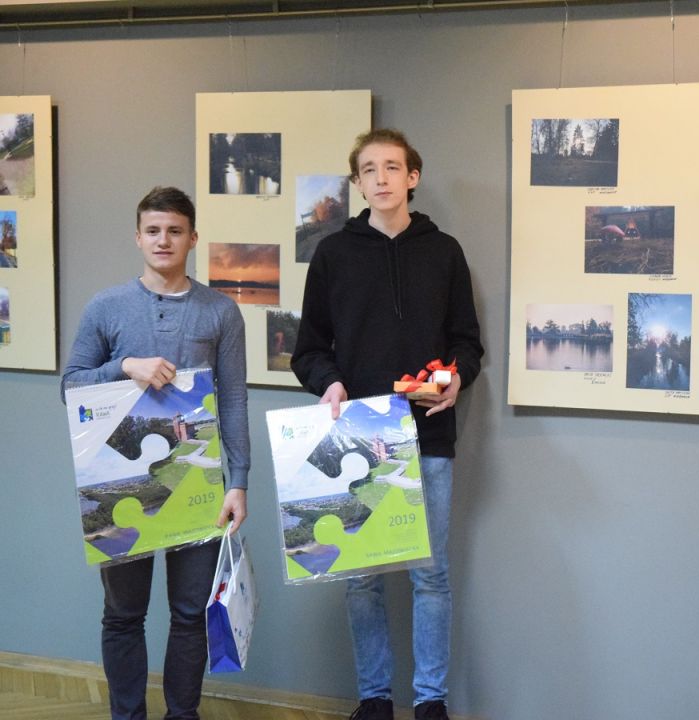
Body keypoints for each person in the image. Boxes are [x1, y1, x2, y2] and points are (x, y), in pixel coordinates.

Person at [292, 128, 484, 720]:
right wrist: (330, 382)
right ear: (357, 183)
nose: (381, 178)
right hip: (357, 436)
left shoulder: (444, 251)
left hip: (428, 435)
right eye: (369, 169)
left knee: (432, 577)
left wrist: (455, 380)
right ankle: (374, 699)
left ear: (412, 177)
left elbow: (467, 343)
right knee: (362, 578)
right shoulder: (333, 255)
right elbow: (308, 350)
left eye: (392, 167)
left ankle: (430, 702)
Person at [62, 186, 250, 720]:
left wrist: (238, 481)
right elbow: (70, 386)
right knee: (124, 614)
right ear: (138, 237)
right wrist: (123, 367)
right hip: (119, 483)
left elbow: (233, 400)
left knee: (190, 613)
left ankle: (181, 715)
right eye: (153, 230)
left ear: (193, 238)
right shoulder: (106, 306)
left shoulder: (221, 312)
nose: (163, 240)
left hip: (200, 485)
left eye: (174, 231)